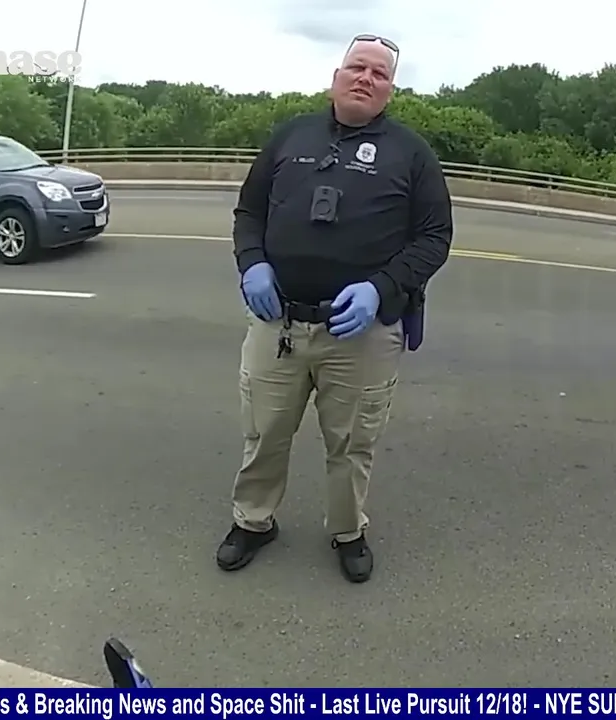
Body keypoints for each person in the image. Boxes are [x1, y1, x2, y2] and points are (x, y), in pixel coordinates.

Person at [215, 34, 454, 583]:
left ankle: (348, 530)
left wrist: (382, 288)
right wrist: (252, 263)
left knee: (351, 445)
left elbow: (435, 237)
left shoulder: (412, 153)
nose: (366, 78)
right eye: (357, 67)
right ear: (336, 77)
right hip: (279, 323)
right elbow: (249, 213)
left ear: (390, 90)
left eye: (379, 73)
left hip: (361, 335)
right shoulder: (290, 136)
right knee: (265, 431)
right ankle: (253, 520)